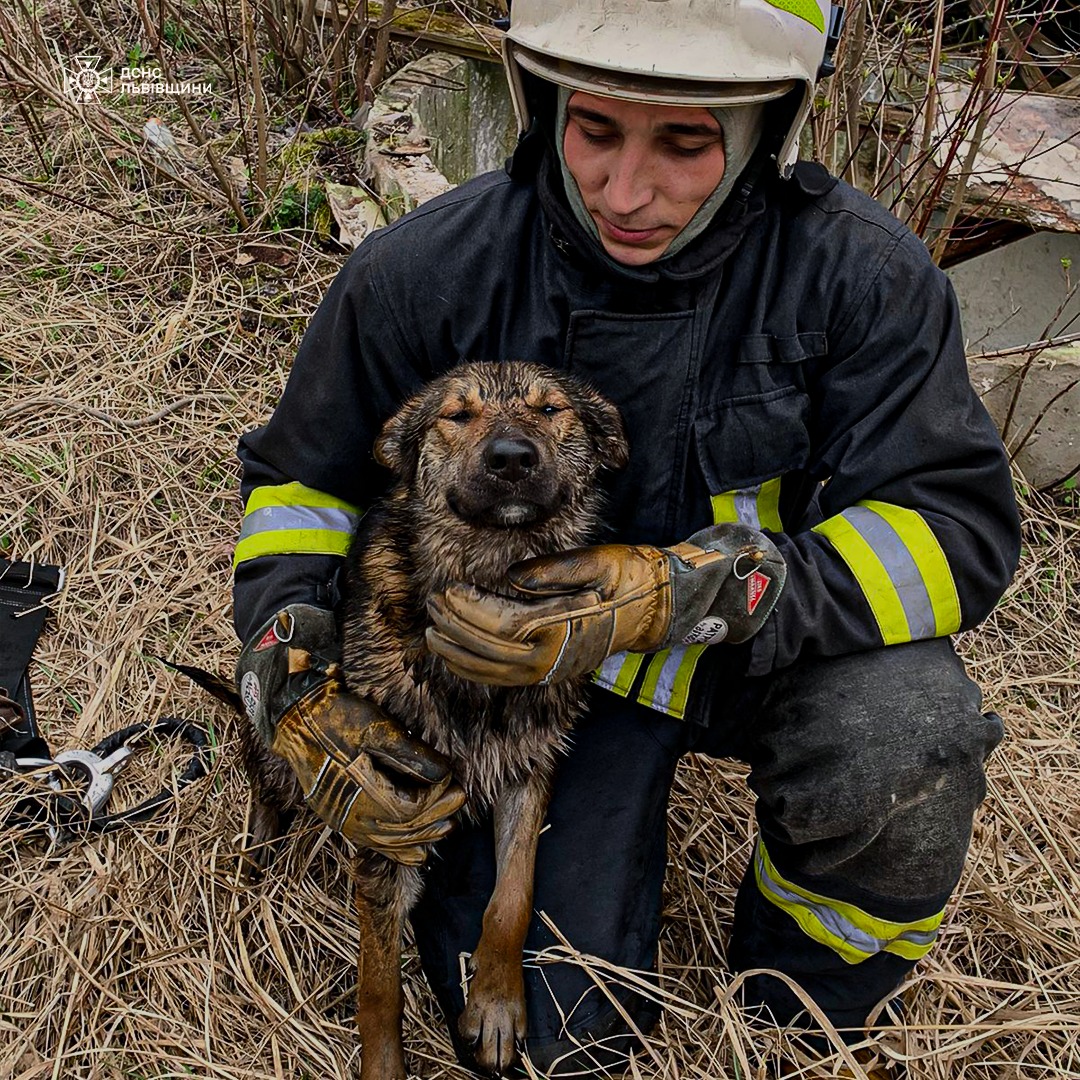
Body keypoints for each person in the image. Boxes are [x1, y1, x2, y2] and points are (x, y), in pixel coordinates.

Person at [231, 0, 1021, 1075]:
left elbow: (952, 528)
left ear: (763, 129)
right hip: (487, 681)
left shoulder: (863, 278)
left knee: (907, 733)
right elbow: (299, 485)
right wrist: (291, 667)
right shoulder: (426, 268)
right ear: (541, 99)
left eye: (685, 143)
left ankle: (806, 1014)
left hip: (734, 653)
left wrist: (700, 594)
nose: (625, 190)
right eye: (594, 129)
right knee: (554, 1051)